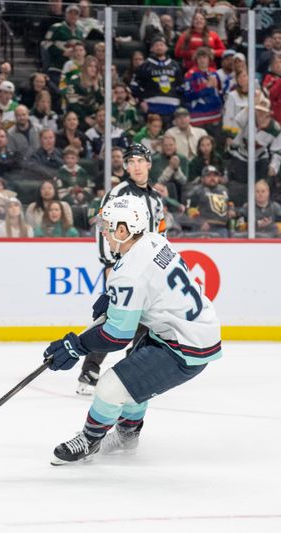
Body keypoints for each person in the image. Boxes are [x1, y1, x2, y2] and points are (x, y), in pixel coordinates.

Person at [45, 194, 222, 465]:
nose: (104, 231)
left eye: (107, 226)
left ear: (124, 229)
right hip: (189, 330)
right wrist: (116, 298)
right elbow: (150, 286)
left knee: (109, 388)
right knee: (130, 379)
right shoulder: (154, 240)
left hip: (184, 345)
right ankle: (128, 435)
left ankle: (90, 440)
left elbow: (116, 335)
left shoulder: (128, 273)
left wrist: (76, 345)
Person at [75, 143, 165, 396]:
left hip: (148, 270)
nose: (135, 166)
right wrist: (109, 264)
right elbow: (104, 227)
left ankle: (134, 370)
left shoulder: (156, 198)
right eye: (131, 161)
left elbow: (160, 232)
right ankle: (90, 369)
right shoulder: (119, 193)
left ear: (149, 164)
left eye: (140, 160)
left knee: (146, 323)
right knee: (114, 319)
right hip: (124, 267)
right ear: (126, 166)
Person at [186, 165, 233, 236]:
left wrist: (231, 210)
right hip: (204, 227)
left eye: (215, 176)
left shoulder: (224, 190)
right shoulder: (196, 191)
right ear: (202, 179)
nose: (212, 178)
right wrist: (200, 222)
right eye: (209, 176)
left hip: (223, 227)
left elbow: (230, 203)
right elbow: (189, 209)